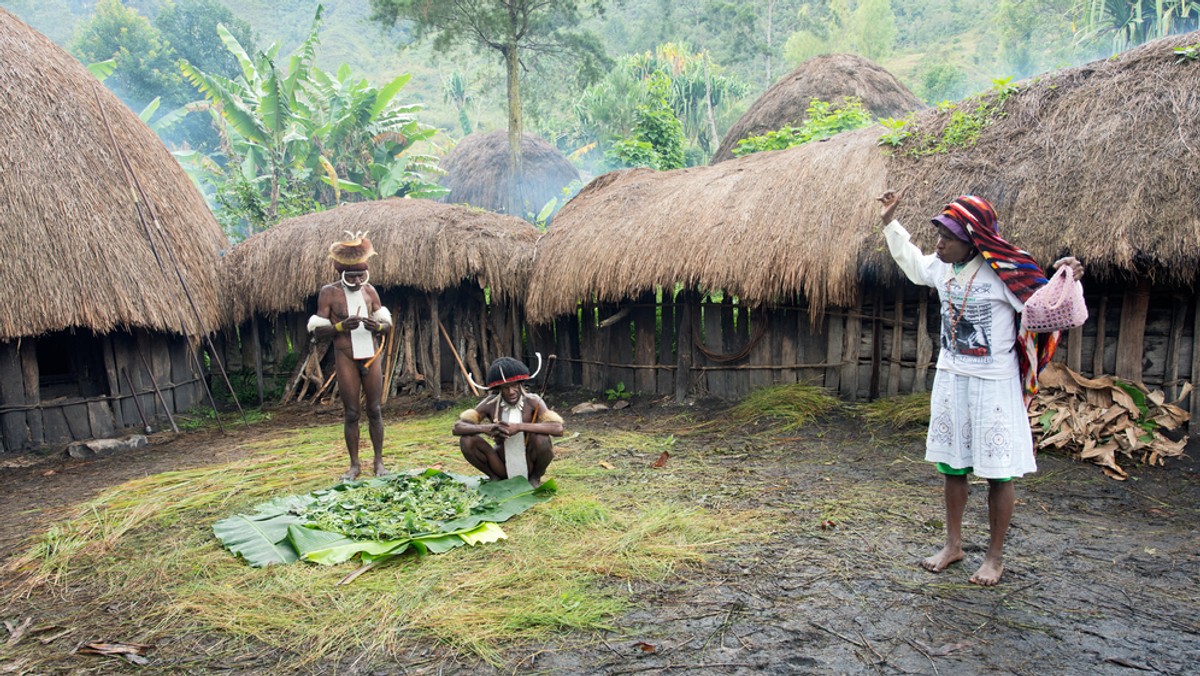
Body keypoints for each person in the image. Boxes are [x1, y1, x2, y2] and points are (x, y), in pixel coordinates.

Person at [878, 189, 1083, 586]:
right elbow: (913, 263)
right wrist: (890, 223)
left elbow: (1049, 309)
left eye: (948, 237)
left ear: (973, 240)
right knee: (952, 467)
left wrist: (1069, 278)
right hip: (952, 380)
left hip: (994, 386)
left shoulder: (1006, 274)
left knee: (997, 472)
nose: (938, 243)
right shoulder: (941, 269)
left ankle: (994, 557)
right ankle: (953, 545)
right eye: (938, 235)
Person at [307, 232, 393, 480]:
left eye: (360, 275)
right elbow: (317, 331)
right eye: (351, 276)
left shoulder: (370, 291)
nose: (356, 280)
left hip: (371, 355)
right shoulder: (329, 293)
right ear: (341, 274)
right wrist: (341, 327)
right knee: (352, 412)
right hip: (345, 355)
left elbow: (386, 325)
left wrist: (376, 327)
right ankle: (355, 465)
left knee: (375, 410)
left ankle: (379, 462)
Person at [453, 357, 564, 487]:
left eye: (514, 385)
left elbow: (557, 428)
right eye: (505, 388)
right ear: (499, 388)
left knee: (542, 439)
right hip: (500, 464)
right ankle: (494, 477)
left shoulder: (533, 401)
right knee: (467, 440)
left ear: (521, 383)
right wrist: (487, 428)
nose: (511, 392)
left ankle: (535, 478)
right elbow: (458, 427)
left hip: (528, 462)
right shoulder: (490, 403)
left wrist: (519, 427)